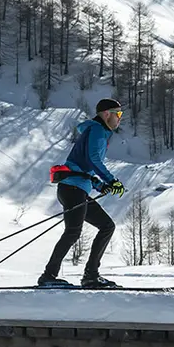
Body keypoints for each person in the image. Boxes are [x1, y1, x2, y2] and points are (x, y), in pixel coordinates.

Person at [39, 98, 126, 288]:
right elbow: (94, 159)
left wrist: (98, 184)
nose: (120, 118)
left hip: (76, 188)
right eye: (118, 114)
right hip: (72, 189)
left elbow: (82, 166)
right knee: (73, 232)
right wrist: (111, 181)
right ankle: (49, 276)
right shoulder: (96, 129)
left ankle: (90, 275)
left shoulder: (98, 131)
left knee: (106, 226)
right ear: (106, 114)